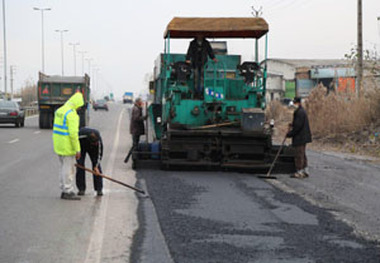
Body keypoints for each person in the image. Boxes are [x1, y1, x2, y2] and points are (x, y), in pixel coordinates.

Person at [52, 92, 84, 200]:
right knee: (69, 169)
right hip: (67, 146)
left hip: (58, 144)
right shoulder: (72, 115)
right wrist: (77, 149)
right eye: (79, 106)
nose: (79, 108)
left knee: (63, 168)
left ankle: (63, 189)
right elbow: (73, 134)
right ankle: (68, 190)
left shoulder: (60, 110)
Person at [287, 97, 312, 178]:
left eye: (294, 103)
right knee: (302, 154)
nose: (294, 105)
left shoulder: (300, 112)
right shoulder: (301, 111)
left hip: (300, 137)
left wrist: (290, 134)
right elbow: (297, 124)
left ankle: (299, 172)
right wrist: (292, 125)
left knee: (299, 155)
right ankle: (305, 170)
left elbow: (298, 126)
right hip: (303, 136)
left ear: (298, 103)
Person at [76, 127, 104, 196]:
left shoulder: (98, 141)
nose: (94, 144)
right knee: (80, 166)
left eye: (95, 143)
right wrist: (76, 152)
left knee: (96, 167)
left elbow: (99, 154)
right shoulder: (80, 135)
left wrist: (96, 166)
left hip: (93, 150)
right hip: (81, 145)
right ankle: (81, 189)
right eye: (93, 143)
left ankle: (99, 189)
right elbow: (74, 142)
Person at [124, 98, 146, 164]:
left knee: (135, 144)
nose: (142, 103)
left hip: (136, 129)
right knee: (135, 145)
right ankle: (132, 159)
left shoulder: (137, 108)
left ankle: (128, 158)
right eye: (141, 102)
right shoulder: (136, 109)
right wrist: (144, 118)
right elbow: (136, 118)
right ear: (137, 102)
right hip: (136, 130)